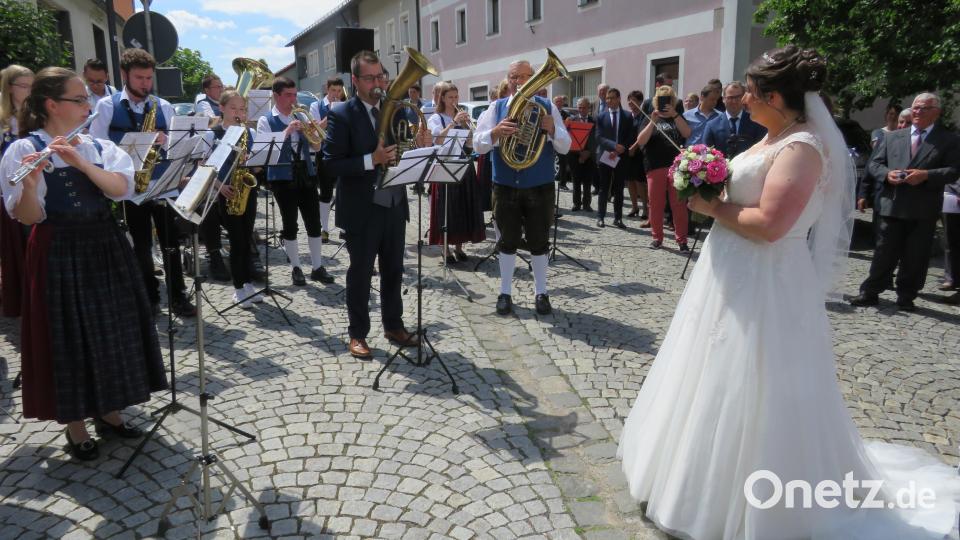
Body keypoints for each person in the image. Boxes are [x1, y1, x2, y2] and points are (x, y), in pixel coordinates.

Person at [619, 45, 960, 540]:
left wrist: (710, 208)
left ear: (774, 96)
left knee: (760, 383)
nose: (743, 99)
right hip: (731, 274)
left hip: (768, 280)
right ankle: (688, 482)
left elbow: (773, 225)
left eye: (751, 93)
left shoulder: (801, 148)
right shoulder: (770, 137)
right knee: (710, 374)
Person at [0, 67, 166, 461]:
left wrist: (80, 163)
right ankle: (75, 424)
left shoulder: (96, 147)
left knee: (111, 329)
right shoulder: (21, 151)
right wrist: (28, 184)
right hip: (57, 247)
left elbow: (122, 188)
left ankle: (109, 411)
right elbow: (26, 217)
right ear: (52, 105)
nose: (88, 105)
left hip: (103, 243)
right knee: (67, 335)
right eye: (79, 99)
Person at [323, 50, 430, 359]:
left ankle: (393, 325)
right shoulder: (342, 113)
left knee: (394, 270)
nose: (378, 82)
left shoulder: (396, 110)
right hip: (361, 207)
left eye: (381, 76)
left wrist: (418, 147)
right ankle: (357, 334)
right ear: (355, 80)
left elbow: (404, 152)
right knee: (360, 273)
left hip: (394, 202)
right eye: (370, 78)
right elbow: (331, 164)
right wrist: (373, 159)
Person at [90, 48, 196, 317]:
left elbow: (177, 147)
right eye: (139, 78)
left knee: (171, 243)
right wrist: (132, 143)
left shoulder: (163, 105)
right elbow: (97, 148)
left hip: (162, 183)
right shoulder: (106, 106)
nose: (146, 84)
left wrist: (166, 142)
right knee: (141, 246)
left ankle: (178, 296)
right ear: (125, 74)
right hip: (129, 188)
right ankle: (148, 296)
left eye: (149, 78)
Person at [473, 59, 571, 316]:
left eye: (527, 76)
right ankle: (505, 292)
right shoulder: (496, 107)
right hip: (505, 185)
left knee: (539, 242)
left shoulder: (547, 108)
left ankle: (542, 293)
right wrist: (494, 132)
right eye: (516, 77)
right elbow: (477, 145)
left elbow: (566, 146)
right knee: (507, 241)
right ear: (509, 79)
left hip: (540, 186)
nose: (521, 81)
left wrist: (553, 131)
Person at [849, 92, 960, 311]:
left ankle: (906, 295)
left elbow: (954, 170)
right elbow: (874, 164)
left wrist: (926, 175)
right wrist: (886, 174)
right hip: (892, 204)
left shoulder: (948, 140)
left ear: (936, 113)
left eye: (924, 108)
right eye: (916, 107)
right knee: (883, 252)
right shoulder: (892, 137)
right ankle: (870, 292)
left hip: (923, 208)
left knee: (916, 255)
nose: (917, 112)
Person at [256, 76, 333, 286]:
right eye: (288, 95)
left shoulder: (301, 115)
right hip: (282, 176)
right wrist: (288, 131)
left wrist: (310, 133)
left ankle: (317, 266)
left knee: (313, 222)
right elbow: (266, 151)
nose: (293, 99)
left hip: (306, 173)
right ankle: (296, 267)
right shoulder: (266, 120)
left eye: (294, 94)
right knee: (290, 224)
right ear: (276, 96)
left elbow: (317, 148)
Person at [202, 89, 264, 308]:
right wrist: (220, 187)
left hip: (247, 190)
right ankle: (238, 288)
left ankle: (247, 284)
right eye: (233, 108)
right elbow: (204, 167)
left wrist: (254, 160)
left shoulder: (249, 133)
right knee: (236, 241)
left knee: (247, 239)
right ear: (222, 108)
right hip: (226, 192)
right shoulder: (213, 134)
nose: (238, 113)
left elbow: (256, 168)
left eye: (242, 109)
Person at [427, 82, 485, 262]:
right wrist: (453, 123)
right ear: (442, 98)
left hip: (463, 166)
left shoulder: (463, 118)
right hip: (444, 166)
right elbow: (437, 140)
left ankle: (459, 247)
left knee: (463, 207)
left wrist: (469, 132)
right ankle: (445, 248)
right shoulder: (436, 118)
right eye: (450, 97)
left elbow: (470, 146)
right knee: (447, 209)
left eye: (456, 97)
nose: (454, 100)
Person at [632, 84, 691, 250]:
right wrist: (652, 121)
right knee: (656, 204)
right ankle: (657, 237)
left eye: (668, 99)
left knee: (679, 204)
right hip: (654, 165)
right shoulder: (649, 117)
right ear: (656, 100)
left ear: (673, 100)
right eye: (661, 99)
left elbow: (687, 133)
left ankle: (682, 240)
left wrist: (675, 114)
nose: (665, 102)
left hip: (676, 167)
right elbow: (641, 141)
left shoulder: (677, 116)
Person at [0, 64, 33, 318]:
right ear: (10, 88)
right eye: (24, 85)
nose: (29, 90)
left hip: (33, 184)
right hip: (8, 186)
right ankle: (21, 298)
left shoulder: (32, 115)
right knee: (15, 245)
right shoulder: (3, 118)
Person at [594, 88, 636, 229]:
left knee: (619, 189)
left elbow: (631, 136)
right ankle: (600, 217)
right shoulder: (601, 116)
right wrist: (613, 146)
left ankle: (618, 218)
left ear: (619, 98)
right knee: (603, 188)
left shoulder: (628, 116)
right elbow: (598, 137)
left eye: (612, 98)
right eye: (607, 98)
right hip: (606, 155)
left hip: (621, 156)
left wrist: (621, 148)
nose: (609, 101)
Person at [309, 77, 344, 243]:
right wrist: (331, 114)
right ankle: (324, 229)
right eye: (333, 91)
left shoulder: (345, 105)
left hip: (342, 154)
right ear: (327, 90)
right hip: (323, 154)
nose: (336, 95)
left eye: (339, 91)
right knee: (325, 194)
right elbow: (315, 131)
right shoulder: (316, 106)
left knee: (344, 192)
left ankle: (345, 227)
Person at [701, 80, 767, 158]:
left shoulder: (756, 122)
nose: (734, 101)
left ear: (743, 98)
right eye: (730, 97)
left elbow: (763, 149)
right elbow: (705, 154)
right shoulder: (712, 125)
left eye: (738, 97)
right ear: (723, 99)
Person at [566, 97, 595, 213]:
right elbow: (569, 139)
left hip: (590, 155)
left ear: (589, 108)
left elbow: (597, 139)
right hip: (574, 155)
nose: (581, 110)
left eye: (584, 107)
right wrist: (580, 153)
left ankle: (587, 204)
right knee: (576, 180)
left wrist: (588, 152)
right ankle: (576, 203)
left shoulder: (594, 120)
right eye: (579, 108)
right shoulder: (571, 120)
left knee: (588, 181)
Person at [624, 91, 648, 222]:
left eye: (633, 100)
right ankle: (634, 207)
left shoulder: (644, 117)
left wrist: (634, 147)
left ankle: (645, 208)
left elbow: (642, 135)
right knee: (629, 181)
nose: (630, 103)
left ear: (640, 102)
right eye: (629, 100)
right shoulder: (627, 116)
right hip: (627, 153)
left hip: (639, 153)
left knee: (640, 182)